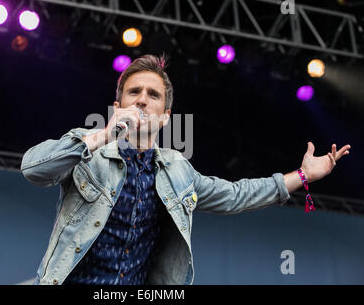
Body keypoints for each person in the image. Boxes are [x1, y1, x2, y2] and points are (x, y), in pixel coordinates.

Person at [20, 54, 351, 285]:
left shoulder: (177, 171)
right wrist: (104, 135)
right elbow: (34, 169)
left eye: (153, 95)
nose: (142, 100)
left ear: (165, 116)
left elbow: (235, 195)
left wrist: (303, 176)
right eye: (134, 93)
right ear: (118, 106)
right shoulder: (87, 146)